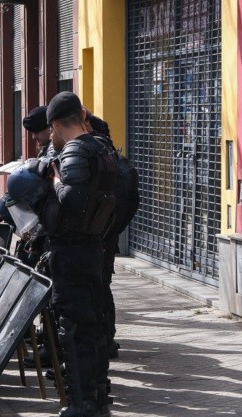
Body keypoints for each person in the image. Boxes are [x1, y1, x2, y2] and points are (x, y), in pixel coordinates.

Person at [40, 92, 118, 417]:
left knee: (73, 330)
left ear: (57, 124)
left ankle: (82, 408)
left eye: (51, 130)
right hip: (93, 248)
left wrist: (55, 180)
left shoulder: (75, 150)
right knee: (94, 327)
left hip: (73, 252)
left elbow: (72, 199)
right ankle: (98, 401)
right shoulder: (104, 149)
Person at [85, 113, 140, 359]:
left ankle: (105, 341)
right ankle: (106, 340)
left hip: (100, 240)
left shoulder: (110, 165)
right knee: (102, 289)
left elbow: (126, 204)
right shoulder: (117, 163)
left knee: (99, 291)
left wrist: (107, 234)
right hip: (106, 238)